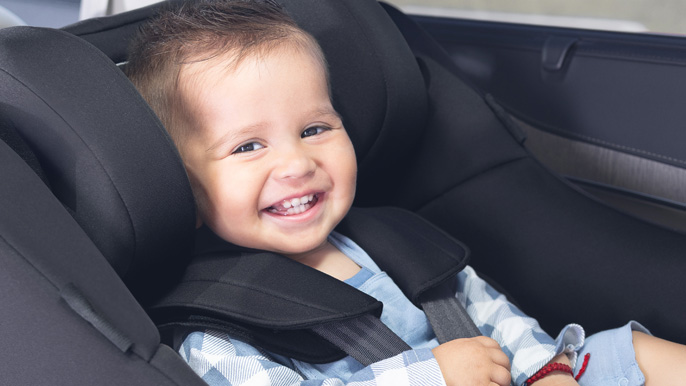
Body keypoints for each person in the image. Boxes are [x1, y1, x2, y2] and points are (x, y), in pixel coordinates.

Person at [124, 1, 686, 385]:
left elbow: (492, 314)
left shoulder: (395, 236)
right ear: (183, 185)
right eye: (247, 148)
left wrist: (548, 369)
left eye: (315, 129)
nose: (297, 162)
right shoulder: (215, 329)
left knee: (630, 352)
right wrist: (434, 375)